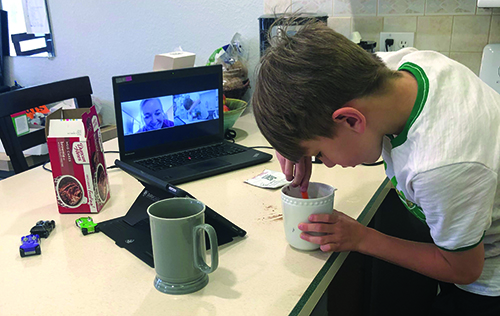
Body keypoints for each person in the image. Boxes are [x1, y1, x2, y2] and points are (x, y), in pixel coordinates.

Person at [252, 19, 500, 315]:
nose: (327, 163)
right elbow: (320, 79)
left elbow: (464, 269)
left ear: (351, 120)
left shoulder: (441, 166)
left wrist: (361, 237)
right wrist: (294, 144)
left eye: (320, 153)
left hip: (485, 279)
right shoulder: (400, 69)